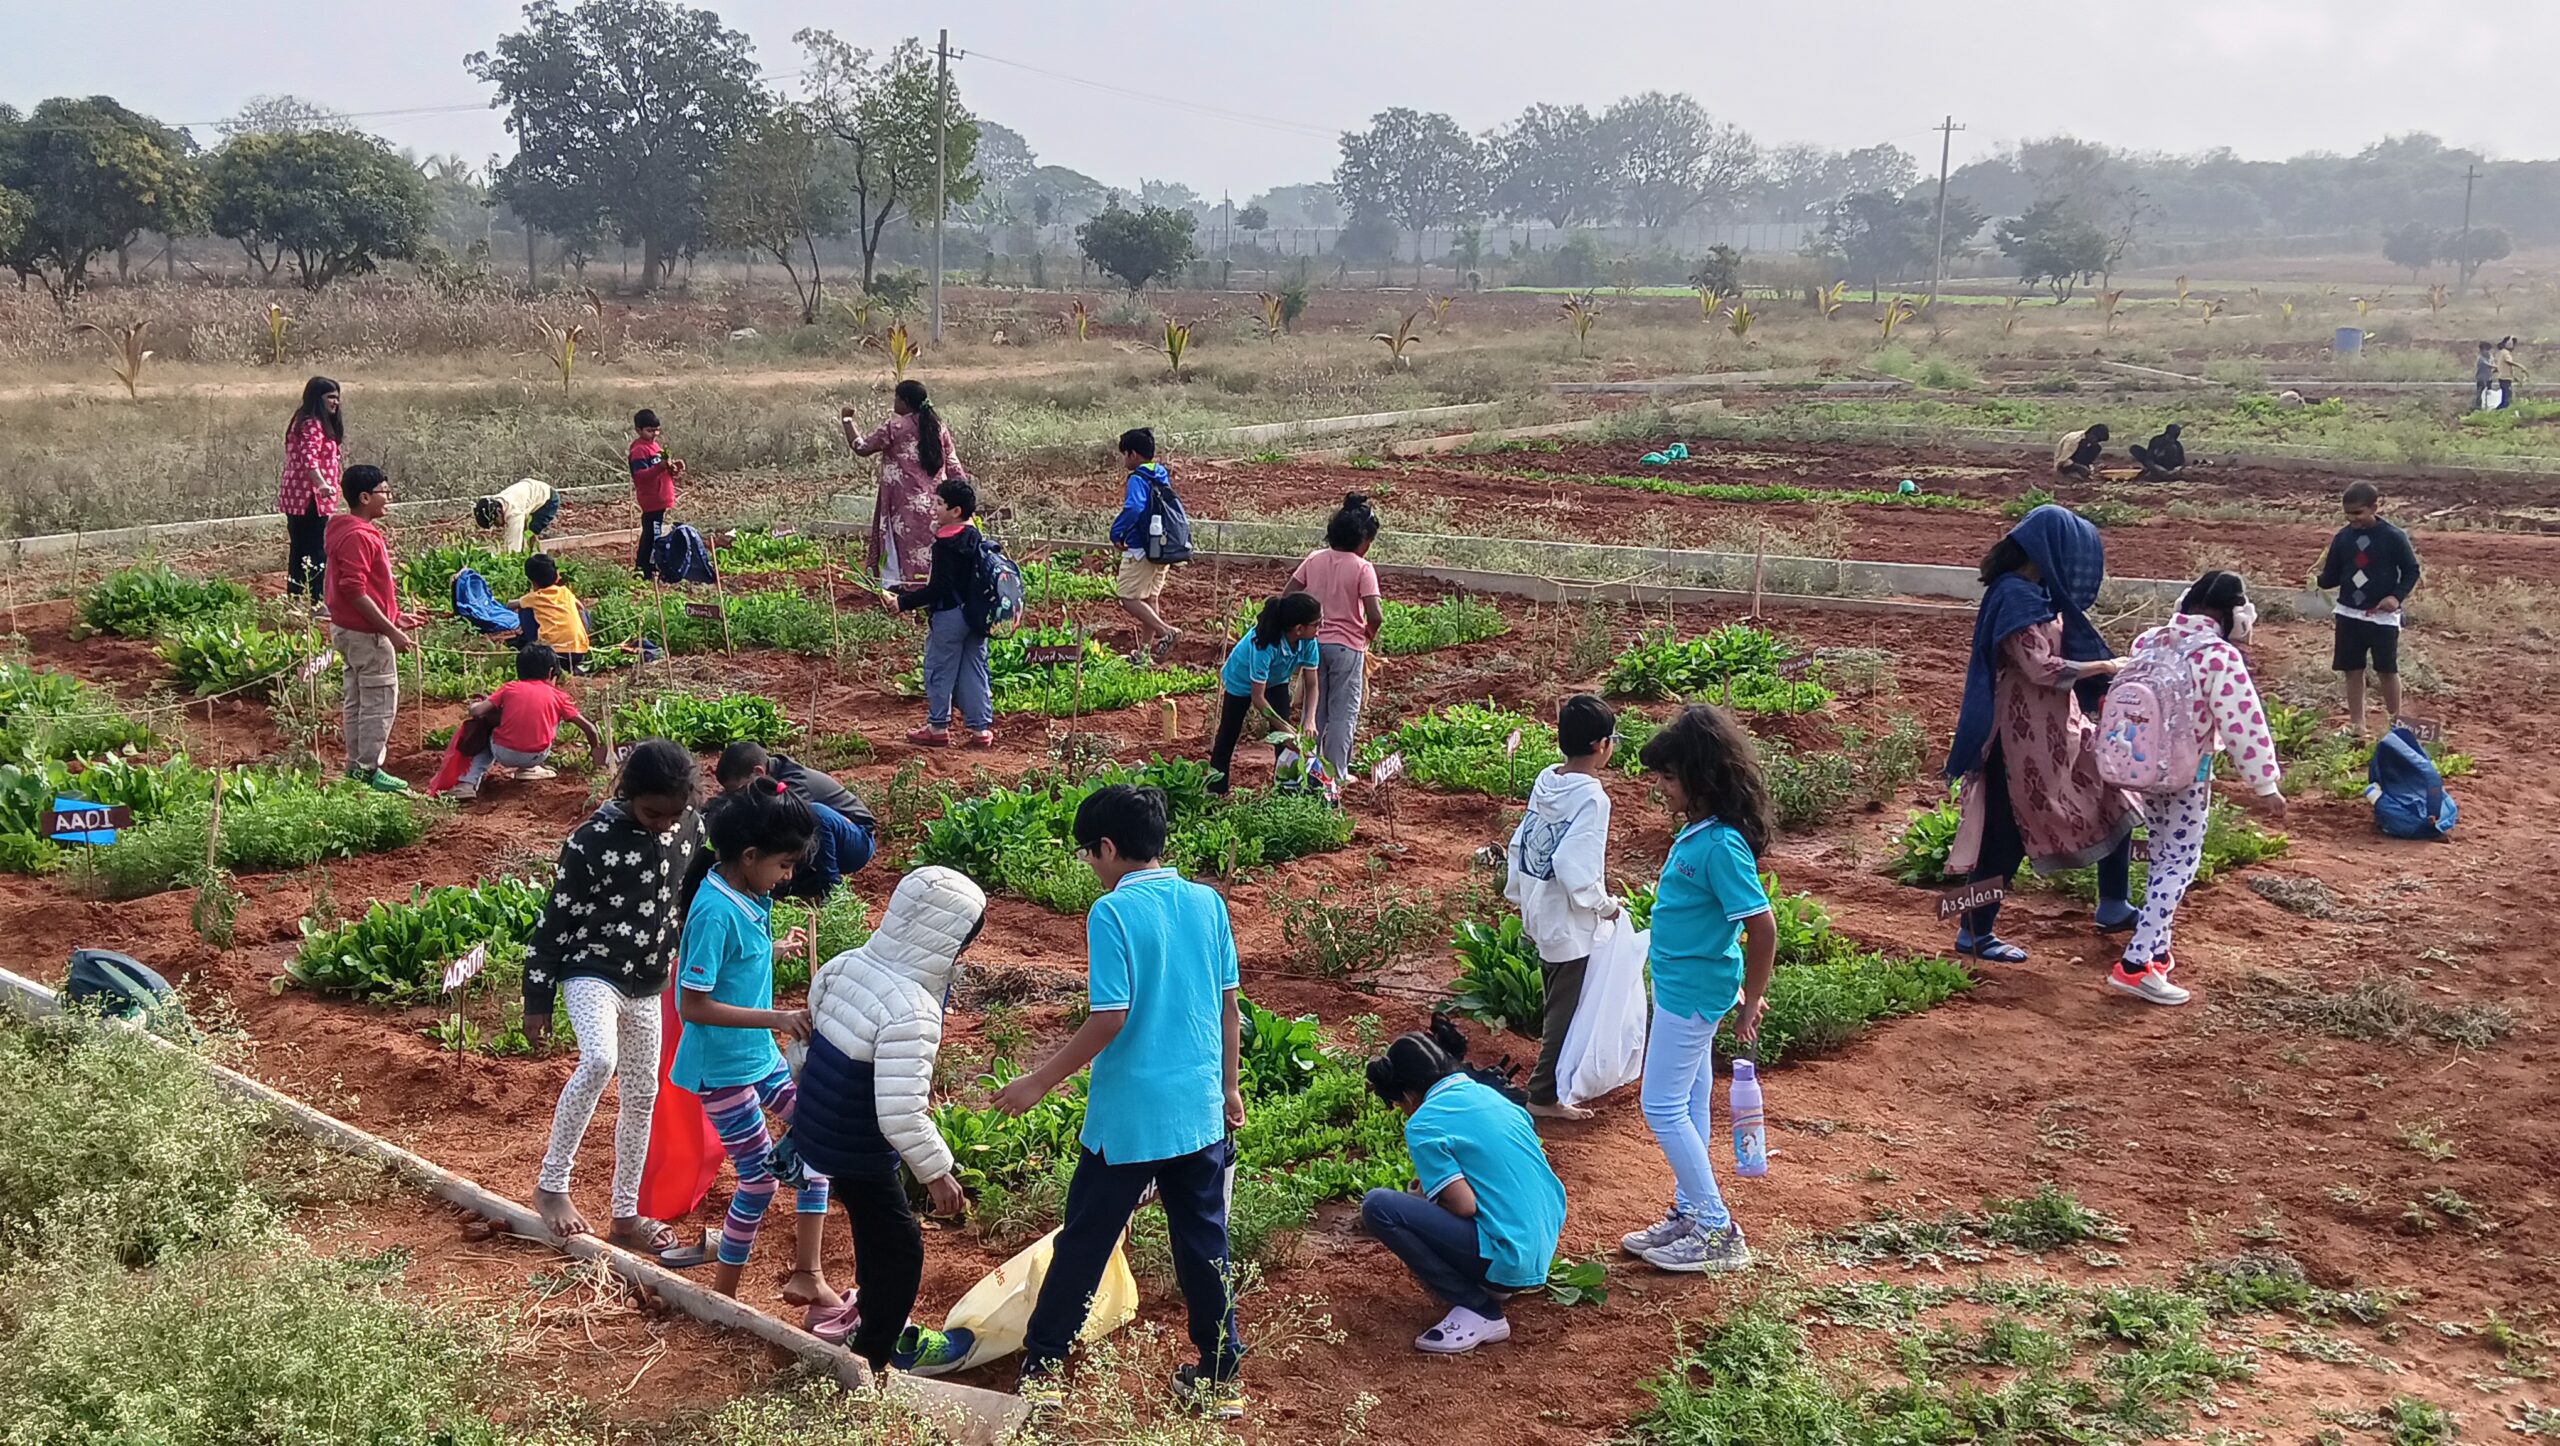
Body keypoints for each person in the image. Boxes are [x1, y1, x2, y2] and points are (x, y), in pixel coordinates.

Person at [994, 784, 1246, 1420]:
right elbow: (1228, 1008)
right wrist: (1230, 1087)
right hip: (1198, 1112)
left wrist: (1037, 1082)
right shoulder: (1207, 902)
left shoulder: (1111, 913)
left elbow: (1110, 1017)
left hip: (1131, 1118)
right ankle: (1222, 1377)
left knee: (1086, 1239)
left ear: (1108, 848)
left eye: (1090, 854)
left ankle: (1045, 1365)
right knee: (1204, 1244)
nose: (1092, 867)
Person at [796, 866, 987, 1369]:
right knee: (902, 1253)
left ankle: (866, 1310)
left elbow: (802, 1050)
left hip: (820, 1132)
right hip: (858, 1145)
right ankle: (875, 1356)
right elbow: (899, 1114)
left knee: (873, 1227)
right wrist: (939, 1174)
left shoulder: (843, 965)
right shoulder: (913, 1010)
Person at [523, 739, 708, 1260]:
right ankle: (551, 1184)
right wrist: (536, 995)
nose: (662, 824)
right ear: (628, 793)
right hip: (591, 970)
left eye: (674, 813)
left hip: (649, 982)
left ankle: (625, 1214)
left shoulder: (690, 826)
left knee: (643, 1092)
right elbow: (556, 920)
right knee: (599, 1060)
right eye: (652, 813)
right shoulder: (591, 840)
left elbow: (696, 890)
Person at [668, 779, 841, 1310]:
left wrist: (775, 948)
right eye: (785, 865)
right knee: (759, 1181)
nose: (787, 876)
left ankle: (807, 1274)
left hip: (757, 1058)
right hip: (721, 1071)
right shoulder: (715, 910)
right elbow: (691, 1004)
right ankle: (725, 1298)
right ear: (749, 856)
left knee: (817, 1140)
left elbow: (736, 966)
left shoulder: (745, 892)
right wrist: (780, 1017)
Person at [1617, 705, 1775, 1275]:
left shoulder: (1721, 845)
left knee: (1659, 1106)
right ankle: (1690, 1209)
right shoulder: (1701, 834)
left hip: (1692, 995)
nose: (1660, 788)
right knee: (1686, 1101)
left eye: (1667, 777)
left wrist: (1752, 999)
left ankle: (1716, 1228)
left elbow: (1762, 926)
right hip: (1684, 987)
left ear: (1701, 778)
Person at [1945, 506, 2139, 963]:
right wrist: (2106, 667)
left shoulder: (2037, 594)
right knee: (2003, 839)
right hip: (2018, 741)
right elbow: (2038, 666)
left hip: (2059, 729)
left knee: (2114, 795)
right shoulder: (2013, 595)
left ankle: (2114, 903)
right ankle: (1973, 931)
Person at [2112, 573, 2287, 1006]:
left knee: (2161, 856)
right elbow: (2243, 721)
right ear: (2228, 613)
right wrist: (2266, 784)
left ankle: (2157, 952)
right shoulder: (2217, 656)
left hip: (2141, 767)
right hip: (2188, 776)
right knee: (2180, 865)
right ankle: (2135, 964)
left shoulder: (2150, 640)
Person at [1359, 1029, 1566, 1355]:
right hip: (1539, 1245)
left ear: (1408, 1094)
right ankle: (1496, 1284)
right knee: (1424, 1200)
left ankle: (1478, 1308)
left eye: (1398, 1102)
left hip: (1510, 1258)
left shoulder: (1424, 1122)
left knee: (1379, 1206)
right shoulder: (1490, 1096)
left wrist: (1423, 1201)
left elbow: (1463, 1205)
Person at [1504, 694, 1621, 1121]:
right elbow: (1573, 864)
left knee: (1556, 997)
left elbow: (1524, 840)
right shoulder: (1593, 798)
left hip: (1540, 909)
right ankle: (1543, 1095)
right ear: (1601, 745)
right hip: (1570, 922)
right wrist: (1604, 906)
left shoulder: (1546, 780)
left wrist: (1519, 894)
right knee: (1563, 1014)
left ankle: (1548, 1088)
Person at [713, 742, 875, 978]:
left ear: (759, 773)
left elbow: (791, 827)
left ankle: (832, 891)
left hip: (855, 841)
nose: (738, 796)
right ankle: (803, 884)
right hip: (823, 842)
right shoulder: (766, 777)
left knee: (812, 815)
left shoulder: (793, 785)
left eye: (738, 790)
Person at [322, 464, 418, 793]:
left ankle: (356, 766)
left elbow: (359, 591)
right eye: (384, 492)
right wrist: (389, 630)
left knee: (358, 699)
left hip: (348, 630)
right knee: (379, 699)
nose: (388, 497)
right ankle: (368, 769)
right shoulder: (360, 536)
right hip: (367, 635)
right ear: (365, 497)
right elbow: (355, 590)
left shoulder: (340, 529)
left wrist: (396, 616)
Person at [1286, 494, 1384, 783]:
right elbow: (1375, 614)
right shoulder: (1362, 567)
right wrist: (1367, 634)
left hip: (1312, 645)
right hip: (1347, 648)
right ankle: (1337, 775)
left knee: (1315, 710)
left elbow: (1288, 594)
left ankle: (1310, 769)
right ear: (1363, 538)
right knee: (1343, 713)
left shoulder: (1315, 559)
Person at [895, 477, 996, 749]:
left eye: (940, 504)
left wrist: (903, 602)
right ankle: (980, 730)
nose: (934, 508)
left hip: (950, 617)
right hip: (976, 616)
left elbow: (940, 587)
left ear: (956, 511)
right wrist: (938, 528)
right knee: (974, 670)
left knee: (940, 668)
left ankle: (937, 727)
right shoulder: (974, 536)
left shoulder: (944, 546)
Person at [2317, 482, 2423, 738]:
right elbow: (2332, 575)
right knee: (2352, 669)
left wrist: (2396, 597)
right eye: (2348, 515)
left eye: (2358, 513)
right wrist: (2317, 580)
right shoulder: (2342, 538)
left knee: (2386, 669)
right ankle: (2357, 725)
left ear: (2375, 508)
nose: (2353, 519)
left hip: (2382, 617)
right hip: (2348, 613)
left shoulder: (2393, 537)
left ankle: (2396, 723)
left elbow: (2412, 570)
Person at [843, 379, 964, 591]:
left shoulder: (895, 427)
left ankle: (907, 592)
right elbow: (953, 463)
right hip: (938, 503)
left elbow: (862, 448)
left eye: (897, 398)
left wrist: (847, 420)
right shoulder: (938, 426)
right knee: (932, 549)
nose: (894, 402)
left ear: (905, 402)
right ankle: (936, 590)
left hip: (904, 505)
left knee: (906, 551)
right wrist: (963, 496)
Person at [451, 644, 602, 801]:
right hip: (536, 755)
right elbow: (590, 729)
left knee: (485, 729)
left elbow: (477, 712)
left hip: (502, 753)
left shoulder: (509, 688)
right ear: (551, 672)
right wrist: (596, 757)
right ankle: (529, 768)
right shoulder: (559, 697)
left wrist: (475, 704)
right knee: (549, 719)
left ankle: (467, 783)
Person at [1208, 593, 1322, 795]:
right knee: (1228, 736)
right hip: (1240, 682)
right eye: (1317, 624)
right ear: (1299, 628)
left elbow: (1312, 685)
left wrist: (1309, 720)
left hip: (1276, 681)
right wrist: (1286, 729)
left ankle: (1285, 792)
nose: (1320, 629)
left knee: (1285, 742)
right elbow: (1258, 697)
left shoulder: (1309, 642)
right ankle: (1215, 793)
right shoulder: (1264, 644)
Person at [1109, 427, 1182, 661]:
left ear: (1133, 454)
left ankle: (1166, 631)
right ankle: (1143, 654)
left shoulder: (1138, 478)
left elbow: (1134, 508)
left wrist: (1117, 532)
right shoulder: (1160, 474)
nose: (1124, 459)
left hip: (1140, 548)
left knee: (1128, 598)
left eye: (1125, 454)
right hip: (1161, 547)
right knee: (1150, 598)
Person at [278, 376, 342, 600]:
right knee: (316, 549)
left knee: (300, 548)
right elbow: (309, 459)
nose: (335, 402)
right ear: (318, 399)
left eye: (337, 397)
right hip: (310, 497)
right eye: (330, 397)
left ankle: (295, 596)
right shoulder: (313, 423)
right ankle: (318, 599)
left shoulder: (302, 420)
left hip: (298, 497)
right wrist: (322, 484)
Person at [512, 553, 592, 672]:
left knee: (525, 610)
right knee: (579, 609)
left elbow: (510, 605)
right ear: (556, 576)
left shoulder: (533, 598)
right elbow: (581, 608)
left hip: (550, 655)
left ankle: (533, 645)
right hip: (578, 651)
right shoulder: (565, 592)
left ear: (531, 580)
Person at [631, 409, 685, 580]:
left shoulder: (656, 447)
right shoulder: (639, 450)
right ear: (638, 430)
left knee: (653, 533)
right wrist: (659, 468)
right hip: (651, 499)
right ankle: (643, 570)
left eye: (657, 430)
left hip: (661, 497)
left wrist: (673, 468)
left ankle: (648, 567)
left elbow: (663, 471)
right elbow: (639, 476)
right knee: (651, 535)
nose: (654, 434)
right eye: (649, 430)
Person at [475, 476, 561, 554]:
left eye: (495, 522)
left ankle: (532, 555)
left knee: (529, 533)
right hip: (531, 491)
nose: (497, 526)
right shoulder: (497, 501)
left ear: (499, 511)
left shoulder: (514, 514)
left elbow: (514, 548)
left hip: (548, 500)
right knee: (523, 532)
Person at [2495, 336, 2529, 406]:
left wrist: (2515, 377)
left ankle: (2498, 413)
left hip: (2505, 378)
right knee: (2506, 400)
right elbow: (2508, 362)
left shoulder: (2503, 352)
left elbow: (2508, 368)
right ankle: (2498, 413)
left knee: (2506, 399)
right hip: (2505, 379)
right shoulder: (2506, 353)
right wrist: (2520, 366)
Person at [2475, 341, 2500, 410]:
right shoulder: (2480, 359)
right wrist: (2498, 367)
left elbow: (2493, 366)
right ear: (2481, 350)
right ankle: (2478, 408)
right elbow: (2489, 366)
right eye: (2486, 350)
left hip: (2489, 379)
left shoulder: (2490, 357)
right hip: (2481, 380)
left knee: (2489, 395)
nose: (2487, 351)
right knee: (2480, 396)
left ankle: (2487, 408)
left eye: (2488, 350)